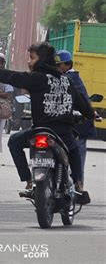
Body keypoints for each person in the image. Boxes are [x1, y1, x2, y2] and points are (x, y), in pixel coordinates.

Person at [0, 42, 94, 205]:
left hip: (40, 131)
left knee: (14, 142)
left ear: (42, 60)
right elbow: (84, 107)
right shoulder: (67, 82)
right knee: (75, 151)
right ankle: (79, 187)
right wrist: (90, 115)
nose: (28, 62)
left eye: (32, 58)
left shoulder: (36, 79)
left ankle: (28, 181)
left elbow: (8, 76)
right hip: (62, 134)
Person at [55, 50, 96, 191]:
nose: (57, 68)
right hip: (66, 124)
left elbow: (82, 102)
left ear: (68, 65)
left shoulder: (72, 79)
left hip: (78, 126)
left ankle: (79, 186)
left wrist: (89, 114)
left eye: (59, 65)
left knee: (77, 155)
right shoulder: (62, 78)